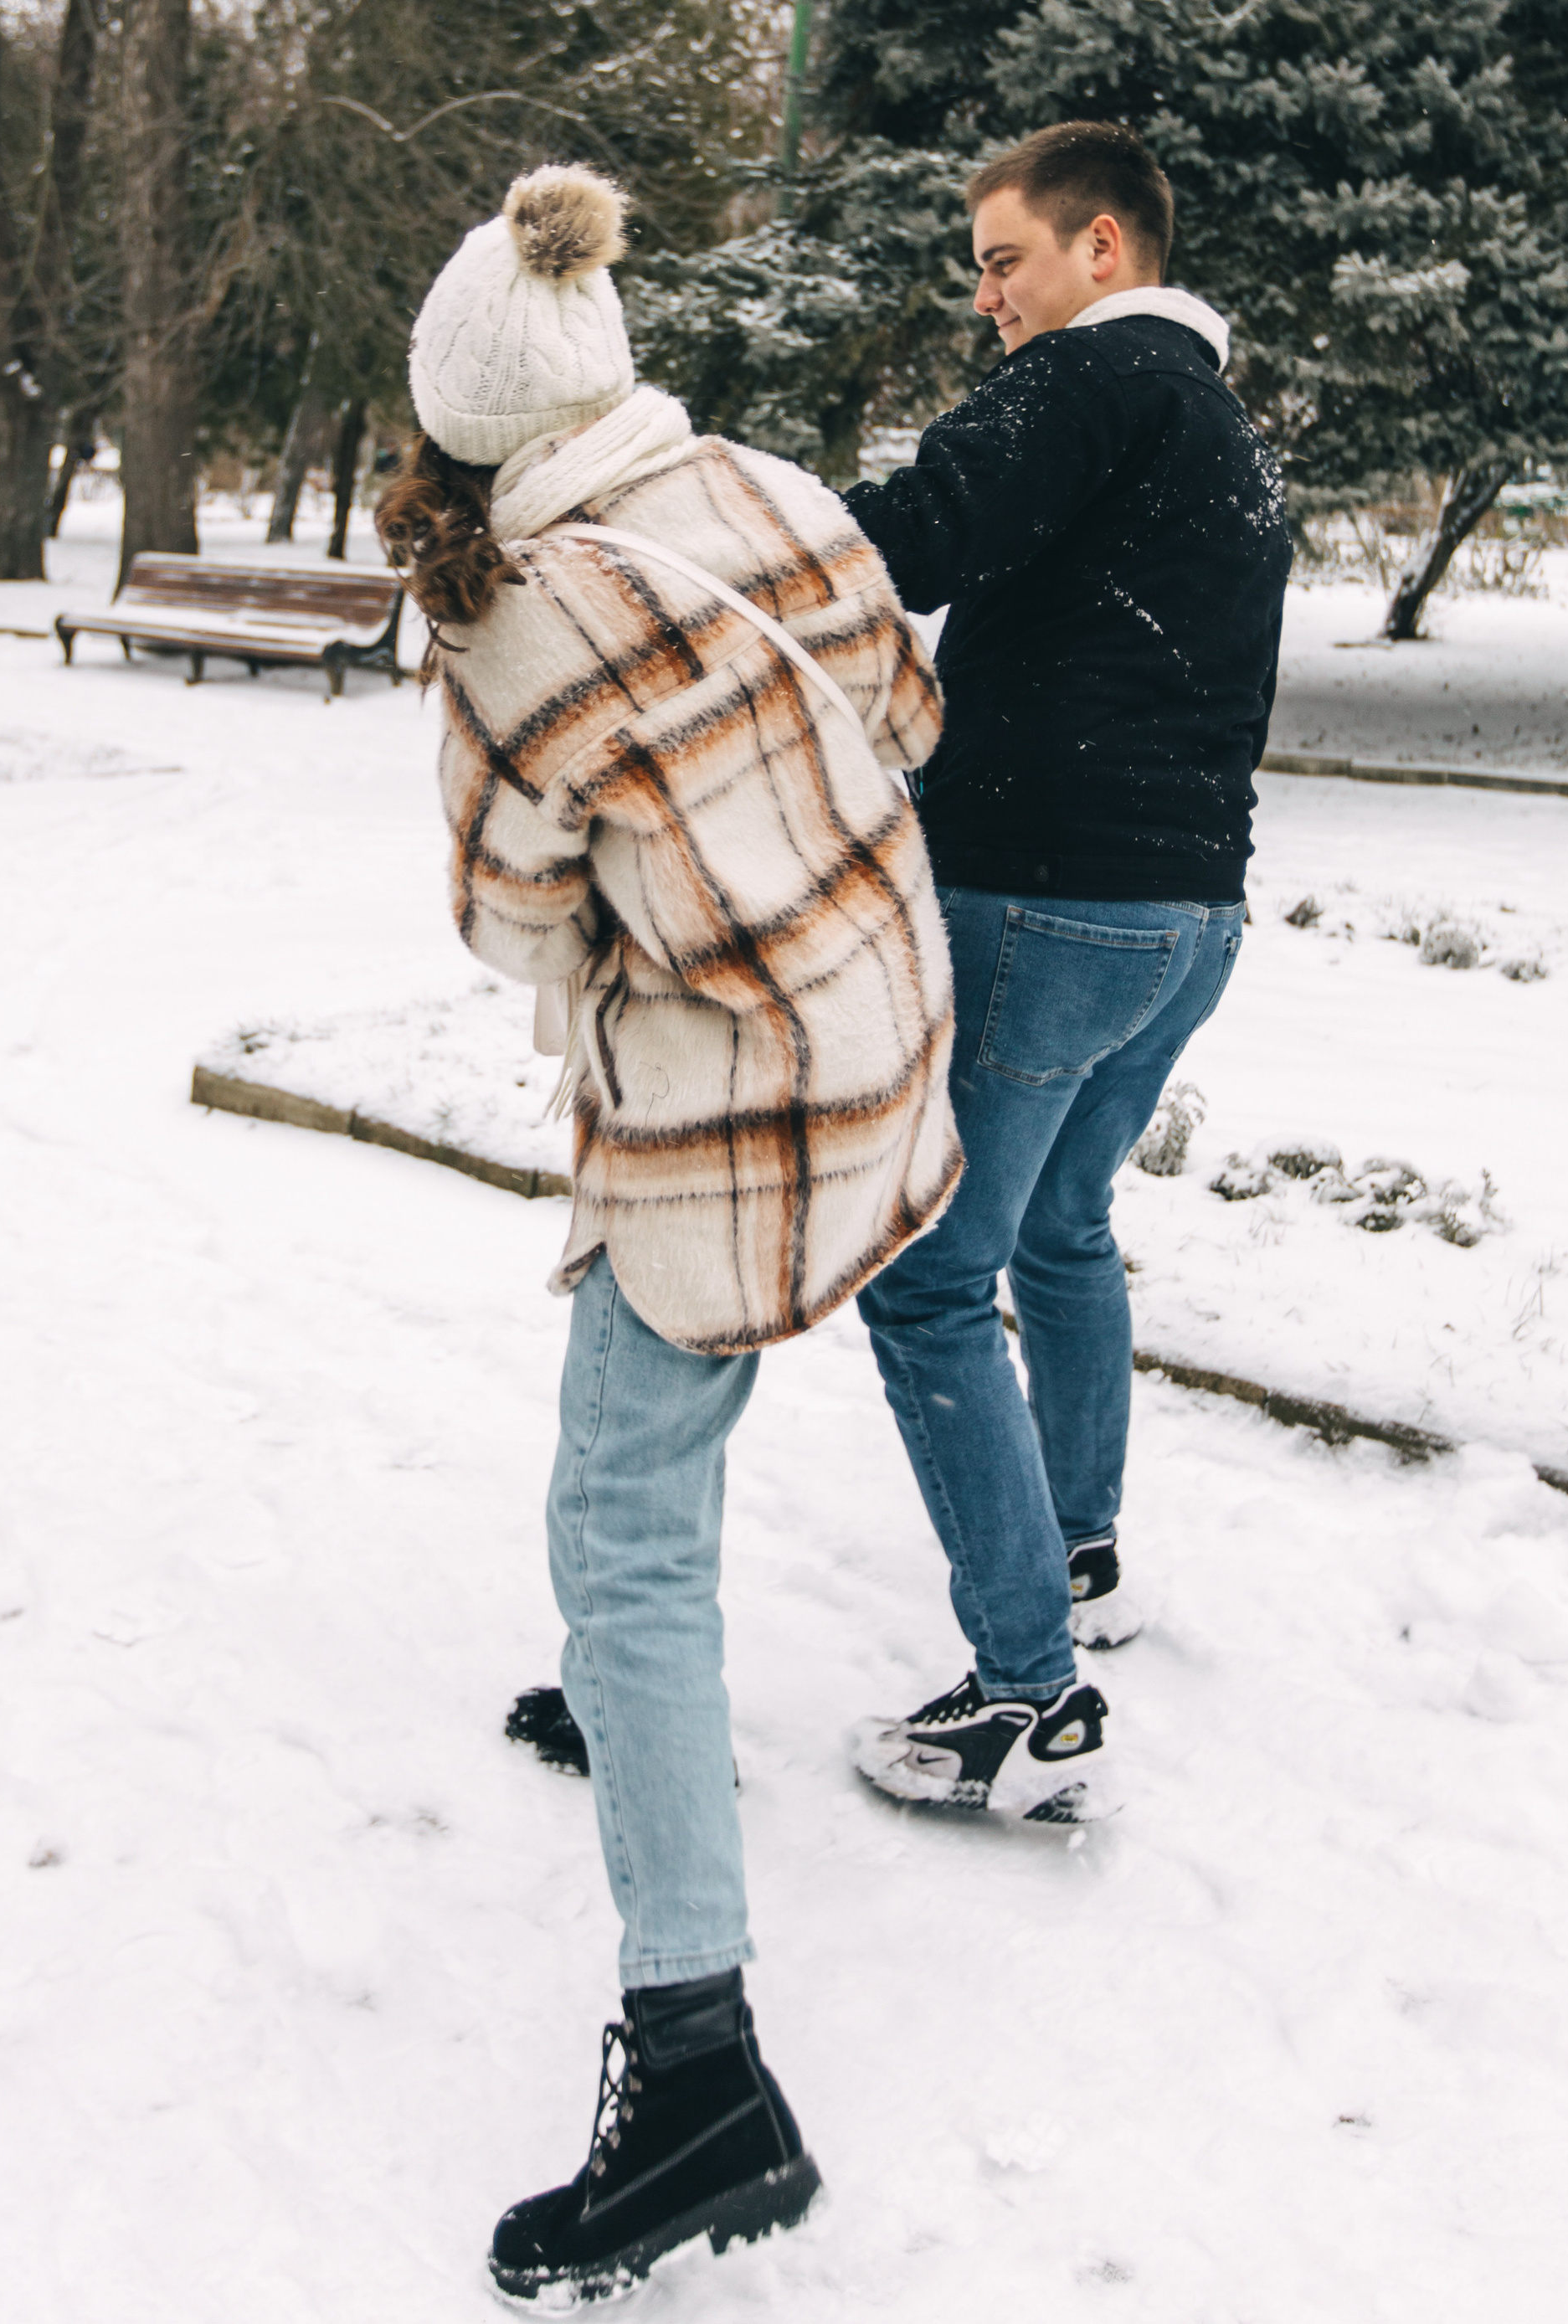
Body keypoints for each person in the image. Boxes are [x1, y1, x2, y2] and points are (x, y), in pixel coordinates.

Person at [378, 162, 964, 2304]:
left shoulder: (518, 616)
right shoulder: (763, 480)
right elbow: (907, 713)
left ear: (456, 425)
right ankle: (623, 1710)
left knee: (620, 1520)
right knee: (660, 1457)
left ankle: (704, 2077)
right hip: (886, 1042)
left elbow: (504, 914)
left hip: (727, 1115)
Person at [837, 121, 1291, 1820]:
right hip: (1189, 924)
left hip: (1040, 906)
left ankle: (1026, 1694)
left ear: (1101, 252)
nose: (985, 301)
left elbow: (897, 542)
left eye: (1001, 259)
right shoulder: (1223, 434)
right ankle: (1078, 1543)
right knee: (1064, 1230)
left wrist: (695, 520)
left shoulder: (1086, 384)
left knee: (929, 1284)